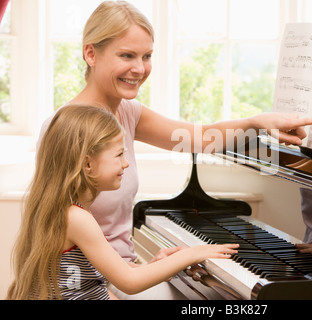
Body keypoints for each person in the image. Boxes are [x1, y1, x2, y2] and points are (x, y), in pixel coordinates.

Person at [36, 1, 312, 299]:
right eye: (127, 55)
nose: (139, 68)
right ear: (91, 53)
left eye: (147, 56)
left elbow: (198, 138)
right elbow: (50, 235)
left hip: (121, 273)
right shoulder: (66, 129)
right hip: (95, 286)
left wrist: (257, 123)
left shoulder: (129, 113)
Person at [7, 105, 239, 300]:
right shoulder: (77, 218)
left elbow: (96, 274)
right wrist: (192, 254)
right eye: (119, 154)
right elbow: (129, 283)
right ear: (88, 165)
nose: (126, 163)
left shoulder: (66, 210)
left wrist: (151, 267)